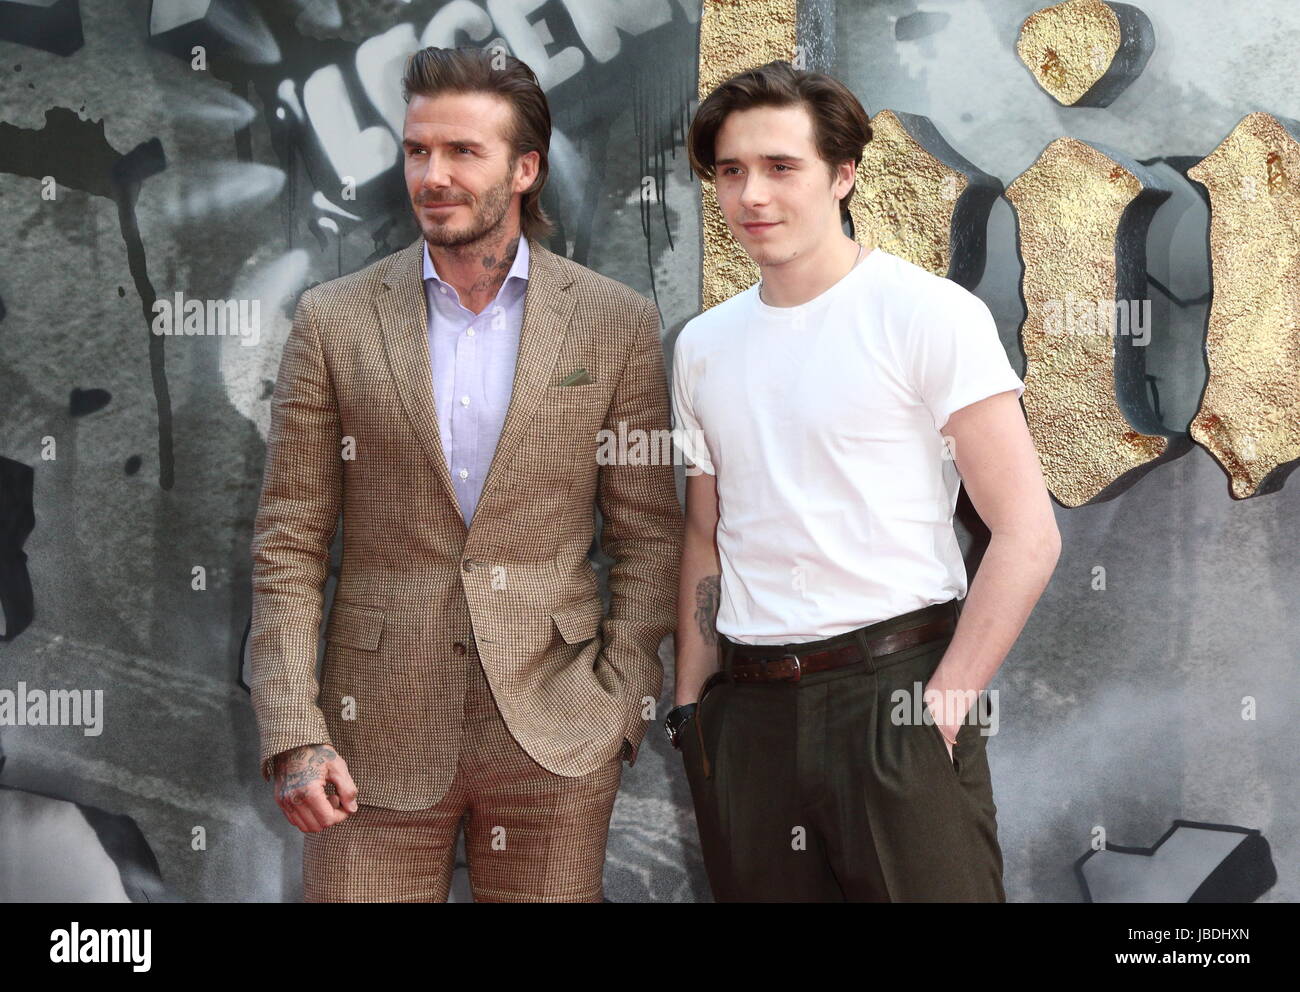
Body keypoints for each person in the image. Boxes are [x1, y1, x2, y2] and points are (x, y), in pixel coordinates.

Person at [250, 46, 681, 902]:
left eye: (462, 151)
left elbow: (648, 535)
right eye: (418, 150)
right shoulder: (334, 321)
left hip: (557, 735)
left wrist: (619, 703)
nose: (432, 175)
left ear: (525, 169)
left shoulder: (613, 322)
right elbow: (289, 542)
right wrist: (295, 730)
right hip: (367, 739)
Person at [664, 60, 1060, 901]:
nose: (752, 195)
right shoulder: (702, 345)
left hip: (896, 693)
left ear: (843, 174)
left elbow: (1028, 534)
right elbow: (706, 532)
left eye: (781, 167)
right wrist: (693, 709)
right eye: (731, 171)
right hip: (749, 717)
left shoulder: (928, 314)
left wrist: (941, 710)